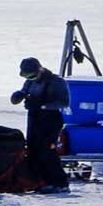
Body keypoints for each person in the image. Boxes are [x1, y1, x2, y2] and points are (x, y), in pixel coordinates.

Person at [10, 57, 71, 194]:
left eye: (32, 75)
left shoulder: (57, 82)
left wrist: (43, 105)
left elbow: (64, 102)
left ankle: (59, 183)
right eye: (27, 76)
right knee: (33, 150)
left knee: (47, 151)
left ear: (39, 70)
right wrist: (18, 96)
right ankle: (39, 181)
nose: (30, 78)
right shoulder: (29, 82)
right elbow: (23, 93)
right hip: (34, 118)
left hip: (50, 120)